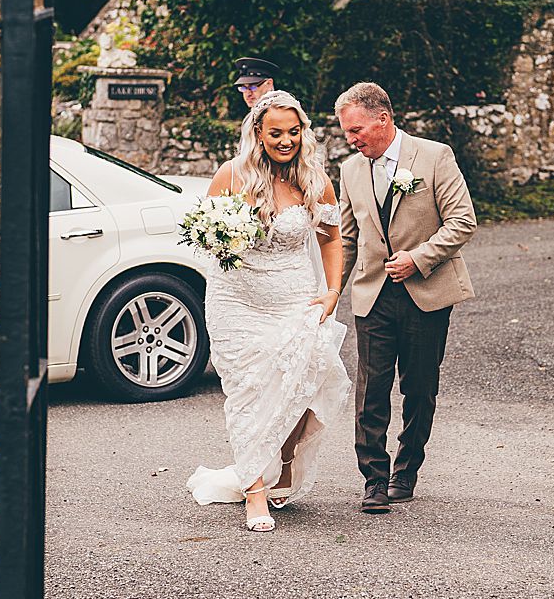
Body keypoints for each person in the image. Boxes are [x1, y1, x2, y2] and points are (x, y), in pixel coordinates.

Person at [186, 90, 352, 532]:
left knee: (314, 380)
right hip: (237, 302)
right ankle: (254, 490)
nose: (285, 141)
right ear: (257, 132)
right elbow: (204, 235)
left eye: (293, 132)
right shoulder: (231, 175)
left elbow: (330, 239)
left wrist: (333, 290)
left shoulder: (315, 180)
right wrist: (220, 238)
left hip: (294, 297)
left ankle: (277, 457)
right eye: (276, 133)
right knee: (249, 394)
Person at [335, 83, 477, 513]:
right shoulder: (349, 170)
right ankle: (374, 480)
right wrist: (329, 295)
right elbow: (347, 239)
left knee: (419, 388)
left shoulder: (435, 156)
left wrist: (419, 259)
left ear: (384, 119)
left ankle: (407, 470)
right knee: (371, 391)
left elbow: (462, 221)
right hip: (372, 295)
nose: (351, 140)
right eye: (346, 133)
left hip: (426, 292)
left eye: (356, 130)